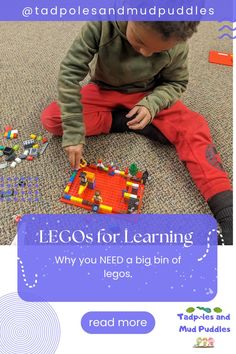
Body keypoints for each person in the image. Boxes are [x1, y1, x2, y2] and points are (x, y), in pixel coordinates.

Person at [41, 21, 233, 244]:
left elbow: (176, 83)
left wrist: (152, 105)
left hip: (148, 96)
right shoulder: (100, 24)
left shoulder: (177, 42)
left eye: (158, 51)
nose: (145, 53)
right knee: (53, 119)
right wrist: (74, 128)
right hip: (103, 91)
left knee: (194, 126)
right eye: (140, 41)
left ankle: (229, 214)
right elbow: (69, 74)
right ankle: (122, 121)